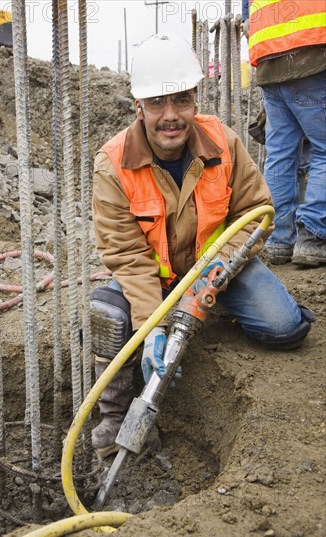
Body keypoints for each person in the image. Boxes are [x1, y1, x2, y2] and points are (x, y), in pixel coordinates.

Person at [90, 33, 315, 458]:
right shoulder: (113, 164)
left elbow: (257, 214)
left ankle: (214, 310)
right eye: (157, 103)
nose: (170, 116)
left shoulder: (222, 142)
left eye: (181, 100)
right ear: (138, 106)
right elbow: (126, 254)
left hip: (218, 268)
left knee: (285, 329)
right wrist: (152, 326)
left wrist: (211, 280)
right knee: (110, 316)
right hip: (154, 279)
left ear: (195, 98)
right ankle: (113, 420)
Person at [244, 0, 326, 266]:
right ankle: (313, 236)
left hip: (269, 53)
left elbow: (247, 13)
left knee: (281, 154)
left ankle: (278, 240)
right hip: (311, 48)